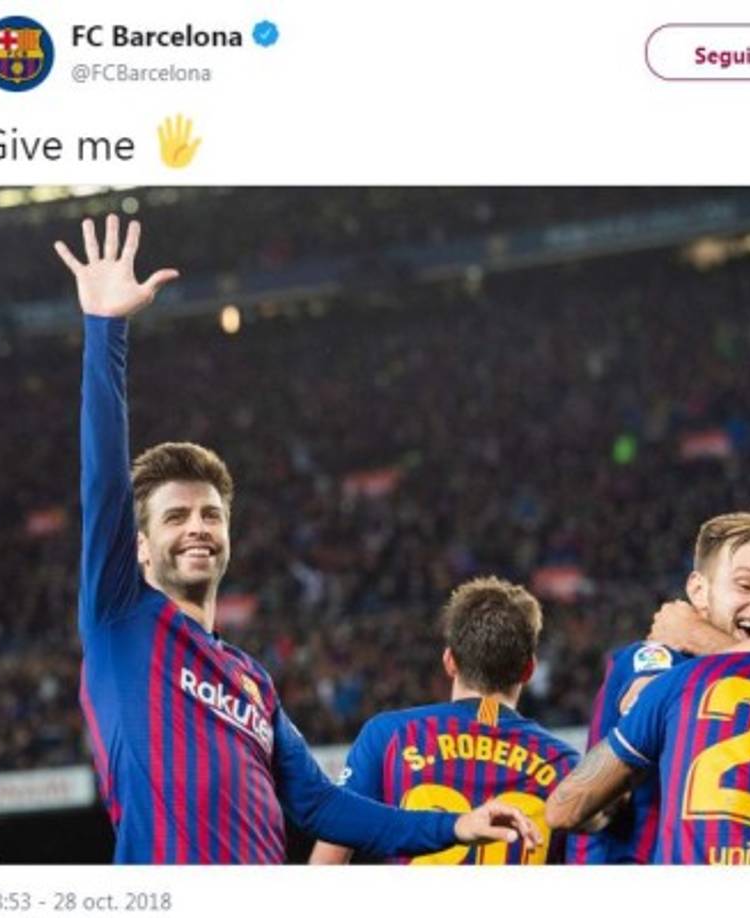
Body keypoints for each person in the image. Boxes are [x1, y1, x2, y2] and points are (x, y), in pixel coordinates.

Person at [55, 215, 540, 864]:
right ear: (138, 546)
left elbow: (319, 805)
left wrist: (452, 826)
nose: (197, 527)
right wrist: (105, 331)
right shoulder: (119, 618)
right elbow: (103, 479)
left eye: (209, 514)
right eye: (174, 517)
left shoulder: (250, 680)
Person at [570, 512, 750, 864]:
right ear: (698, 590)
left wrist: (706, 638)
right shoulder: (657, 656)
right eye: (745, 585)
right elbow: (649, 699)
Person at [309, 576, 580, 865]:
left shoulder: (390, 736)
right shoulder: (566, 764)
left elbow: (328, 860)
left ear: (449, 661)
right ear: (529, 670)